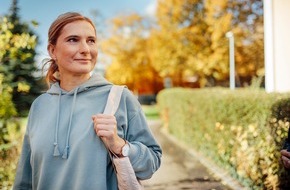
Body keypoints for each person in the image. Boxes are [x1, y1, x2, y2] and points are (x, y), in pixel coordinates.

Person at [13, 12, 162, 190]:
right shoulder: (39, 105)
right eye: (73, 40)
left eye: (91, 40)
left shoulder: (119, 98)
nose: (85, 49)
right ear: (52, 51)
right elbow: (25, 179)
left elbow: (152, 162)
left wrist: (119, 145)